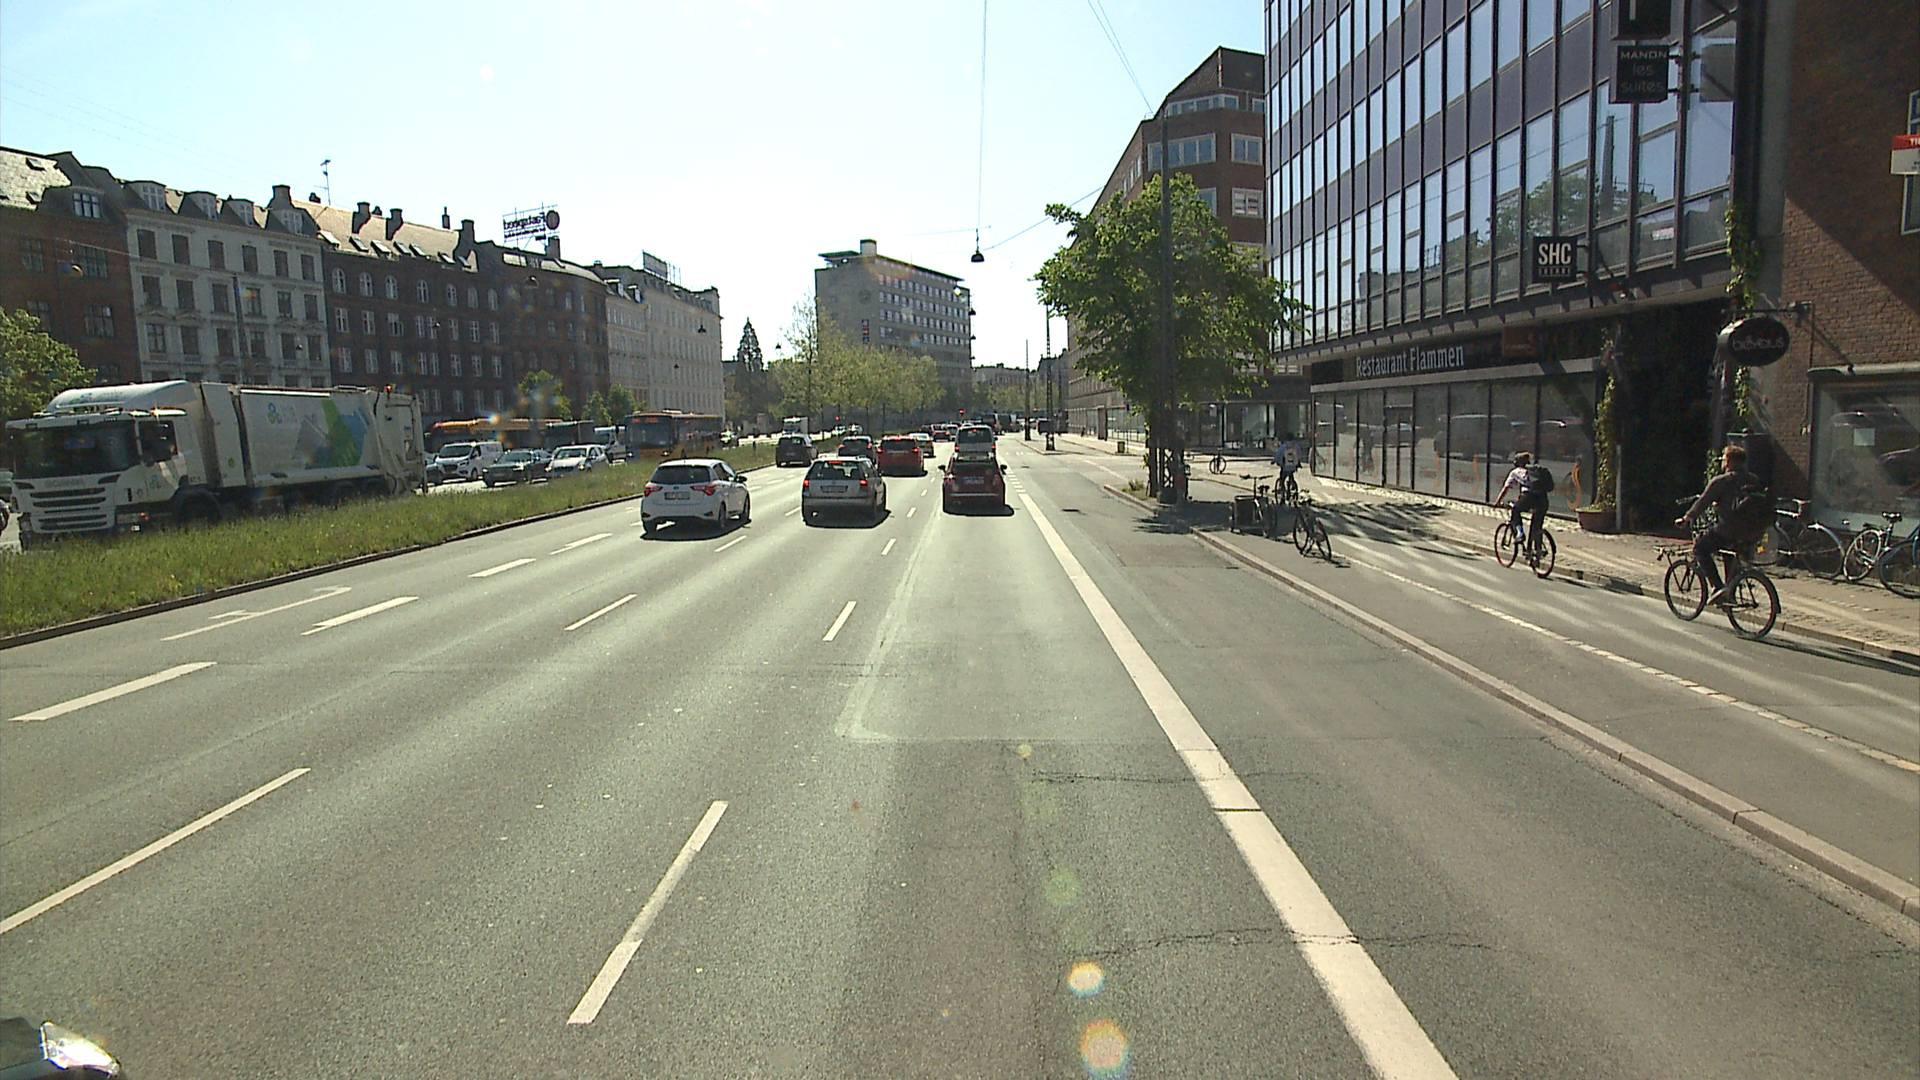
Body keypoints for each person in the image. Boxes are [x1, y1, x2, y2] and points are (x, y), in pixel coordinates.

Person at [1678, 444, 1757, 605]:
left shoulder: (1722, 481)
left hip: (1728, 530)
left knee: (1700, 548)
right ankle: (1730, 594)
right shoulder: (1754, 480)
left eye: (1724, 459)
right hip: (1752, 532)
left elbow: (1703, 502)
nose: (1722, 462)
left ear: (1729, 462)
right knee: (1729, 553)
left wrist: (1687, 518)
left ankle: (1717, 587)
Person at [1494, 451, 1548, 553]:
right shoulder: (1535, 470)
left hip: (1528, 497)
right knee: (1536, 526)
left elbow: (1506, 488)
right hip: (1543, 498)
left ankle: (1520, 533)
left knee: (1515, 510)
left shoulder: (1516, 472)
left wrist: (1497, 502)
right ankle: (1536, 550)